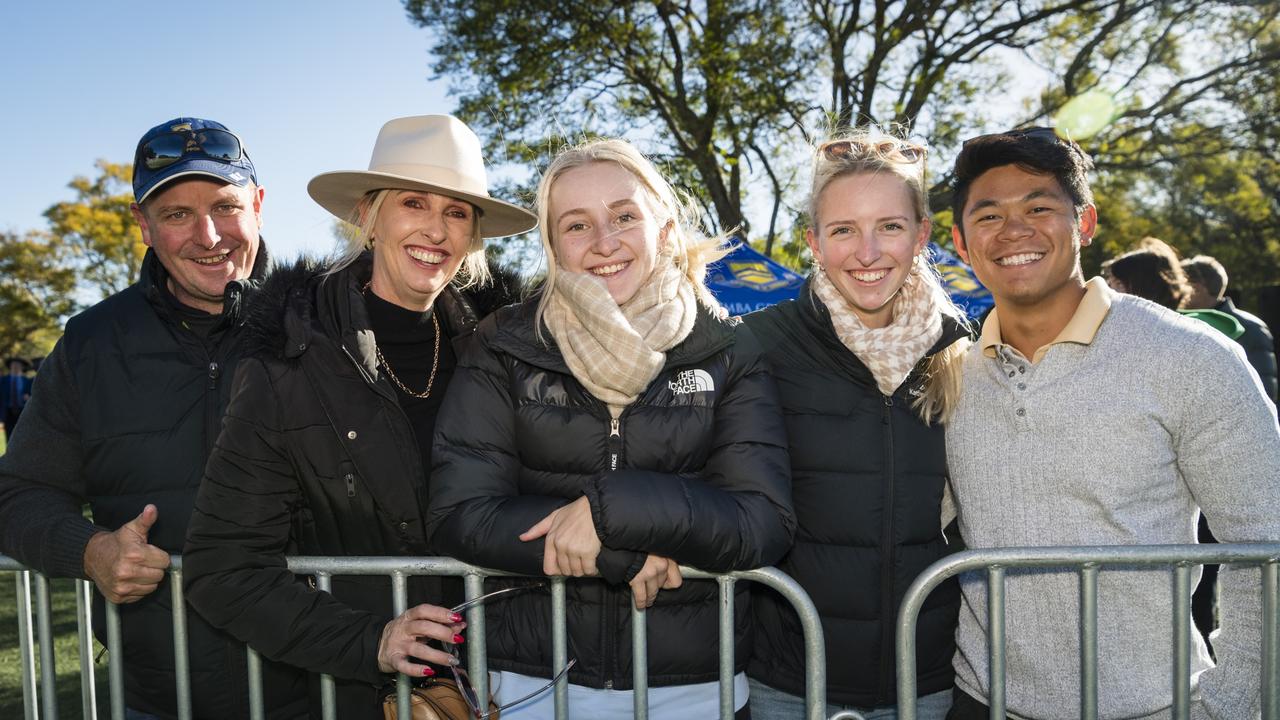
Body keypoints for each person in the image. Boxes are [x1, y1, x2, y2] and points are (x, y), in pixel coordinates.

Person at [182, 115, 537, 720]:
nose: (435, 228)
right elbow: (224, 568)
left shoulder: (510, 350)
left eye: (457, 212)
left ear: (475, 235)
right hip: (351, 697)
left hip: (510, 683)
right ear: (368, 217)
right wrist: (371, 642)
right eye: (413, 203)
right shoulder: (286, 362)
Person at [426, 138, 795, 719]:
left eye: (624, 216)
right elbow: (461, 514)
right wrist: (616, 554)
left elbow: (762, 520)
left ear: (664, 229)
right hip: (534, 683)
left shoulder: (726, 346)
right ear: (552, 245)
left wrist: (609, 509)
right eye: (577, 225)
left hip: (695, 687)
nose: (604, 242)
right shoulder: (505, 344)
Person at [944, 126, 1280, 719]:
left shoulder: (1191, 357)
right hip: (980, 704)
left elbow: (1267, 543)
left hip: (1155, 707)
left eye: (1040, 207)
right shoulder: (950, 378)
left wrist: (1230, 705)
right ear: (961, 242)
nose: (1014, 230)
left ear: (1086, 223)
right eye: (989, 215)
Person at [0, 117, 304, 719]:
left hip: (322, 690)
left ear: (260, 205)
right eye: (176, 214)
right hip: (159, 700)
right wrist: (89, 551)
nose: (209, 235)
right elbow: (18, 495)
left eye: (225, 205)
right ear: (143, 225)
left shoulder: (327, 320)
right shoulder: (90, 343)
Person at [743, 132, 968, 720]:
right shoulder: (758, 346)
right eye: (843, 230)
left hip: (928, 681)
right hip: (789, 681)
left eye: (889, 227)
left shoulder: (963, 355)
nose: (867, 252)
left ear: (921, 235)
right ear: (815, 244)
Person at [1182, 254, 1277, 402]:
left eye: (1180, 286)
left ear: (1197, 288)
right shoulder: (1186, 325)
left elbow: (1264, 393)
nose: (1176, 293)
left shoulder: (1250, 328)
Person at [1, 357, 32, 440]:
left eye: (18, 365)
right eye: (13, 365)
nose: (15, 366)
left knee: (23, 437)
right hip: (8, 413)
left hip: (23, 412)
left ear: (22, 367)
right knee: (9, 437)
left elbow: (33, 397)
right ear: (10, 366)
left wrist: (29, 398)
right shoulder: (3, 381)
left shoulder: (28, 381)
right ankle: (10, 453)